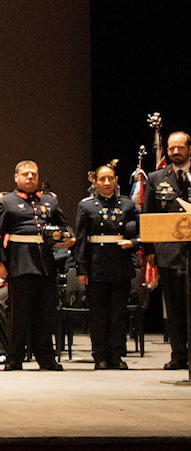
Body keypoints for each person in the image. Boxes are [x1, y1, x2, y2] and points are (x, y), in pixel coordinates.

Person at [0, 160, 74, 371]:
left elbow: (64, 226)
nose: (30, 178)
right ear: (16, 177)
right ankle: (14, 358)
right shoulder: (5, 201)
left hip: (46, 264)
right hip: (19, 263)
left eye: (34, 175)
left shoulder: (50, 200)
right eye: (25, 174)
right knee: (19, 316)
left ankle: (46, 358)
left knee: (46, 314)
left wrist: (69, 237)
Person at [75, 164, 139, 369]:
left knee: (118, 314)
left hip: (120, 263)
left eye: (110, 178)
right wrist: (81, 269)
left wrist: (134, 244)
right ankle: (100, 356)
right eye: (101, 179)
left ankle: (116, 356)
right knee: (98, 315)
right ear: (95, 182)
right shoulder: (87, 206)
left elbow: (142, 231)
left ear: (116, 180)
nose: (106, 182)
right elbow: (82, 239)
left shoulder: (128, 205)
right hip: (96, 265)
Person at [142, 130, 190, 370]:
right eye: (171, 148)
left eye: (180, 148)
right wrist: (149, 249)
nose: (175, 152)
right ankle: (179, 354)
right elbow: (148, 214)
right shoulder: (156, 177)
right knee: (174, 306)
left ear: (189, 149)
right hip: (169, 252)